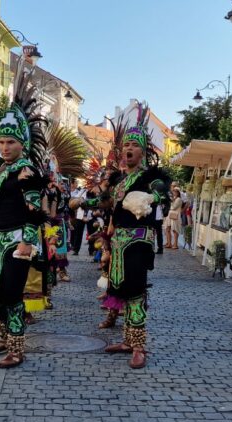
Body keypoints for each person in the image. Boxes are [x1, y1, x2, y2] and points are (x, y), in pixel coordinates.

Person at [0, 72, 47, 369]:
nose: (4, 147)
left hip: (19, 240)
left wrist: (28, 245)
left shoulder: (26, 171)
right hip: (2, 238)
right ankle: (5, 337)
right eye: (1, 142)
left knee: (12, 294)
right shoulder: (5, 170)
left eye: (10, 142)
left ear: (22, 143)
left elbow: (34, 212)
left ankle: (17, 348)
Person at [100, 105, 169, 369]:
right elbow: (107, 204)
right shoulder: (118, 180)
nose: (129, 149)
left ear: (142, 151)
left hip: (138, 243)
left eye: (134, 145)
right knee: (120, 289)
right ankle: (127, 341)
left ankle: (139, 346)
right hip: (118, 243)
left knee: (136, 293)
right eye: (126, 145)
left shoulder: (149, 177)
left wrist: (152, 197)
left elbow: (163, 194)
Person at [164, 184, 183, 249]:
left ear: (178, 192)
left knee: (175, 230)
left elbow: (173, 207)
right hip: (169, 215)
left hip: (175, 215)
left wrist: (170, 202)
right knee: (167, 229)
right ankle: (169, 243)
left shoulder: (179, 199)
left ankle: (175, 244)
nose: (174, 192)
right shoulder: (173, 198)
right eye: (174, 191)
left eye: (176, 191)